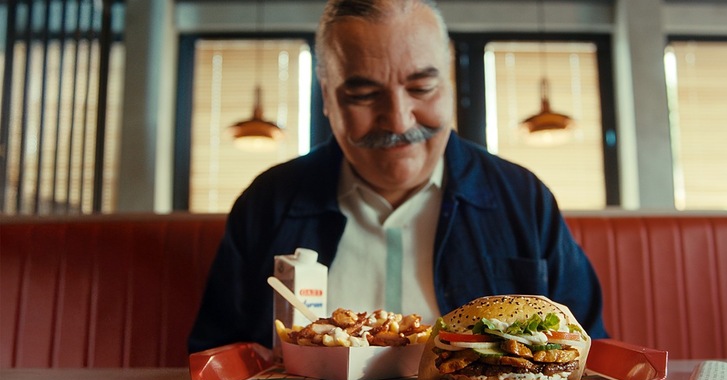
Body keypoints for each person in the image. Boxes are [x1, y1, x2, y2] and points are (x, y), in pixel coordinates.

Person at [187, 0, 607, 354]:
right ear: (327, 97)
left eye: (421, 88)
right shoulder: (268, 201)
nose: (398, 120)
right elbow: (217, 357)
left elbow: (588, 352)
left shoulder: (523, 198)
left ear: (448, 81)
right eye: (364, 95)